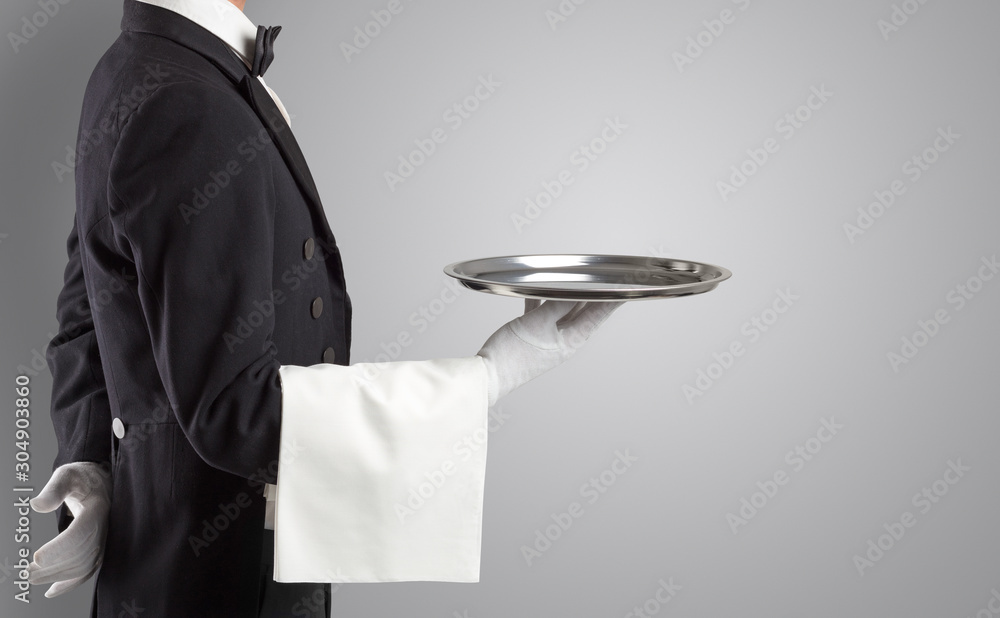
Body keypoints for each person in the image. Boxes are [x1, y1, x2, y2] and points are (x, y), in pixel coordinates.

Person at [27, 1, 622, 616]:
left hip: (164, 563)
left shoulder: (130, 63)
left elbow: (91, 308)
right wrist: (496, 373)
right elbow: (236, 412)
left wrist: (91, 463)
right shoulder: (188, 102)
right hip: (228, 580)